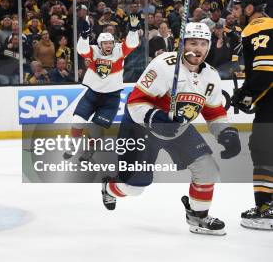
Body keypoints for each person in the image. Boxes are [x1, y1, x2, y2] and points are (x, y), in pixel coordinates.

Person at [102, 22, 240, 236]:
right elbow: (135, 102)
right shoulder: (164, 65)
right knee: (136, 187)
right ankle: (109, 188)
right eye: (193, 42)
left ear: (209, 47)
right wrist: (157, 117)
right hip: (141, 128)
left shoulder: (211, 76)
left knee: (208, 169)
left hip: (178, 128)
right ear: (183, 44)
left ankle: (198, 217)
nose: (198, 48)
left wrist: (227, 132)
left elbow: (214, 111)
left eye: (203, 43)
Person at [69, 14, 140, 160]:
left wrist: (133, 30)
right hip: (92, 95)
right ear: (100, 45)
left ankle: (89, 151)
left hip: (111, 99)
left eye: (110, 43)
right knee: (77, 120)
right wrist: (84, 36)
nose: (109, 46)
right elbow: (81, 50)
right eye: (105, 43)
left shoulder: (119, 51)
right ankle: (73, 145)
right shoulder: (93, 51)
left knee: (95, 129)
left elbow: (131, 44)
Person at [230, 0, 273, 229]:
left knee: (263, 149)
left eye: (237, 8)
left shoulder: (257, 27)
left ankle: (267, 208)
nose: (234, 13)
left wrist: (247, 95)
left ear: (249, 9)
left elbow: (266, 71)